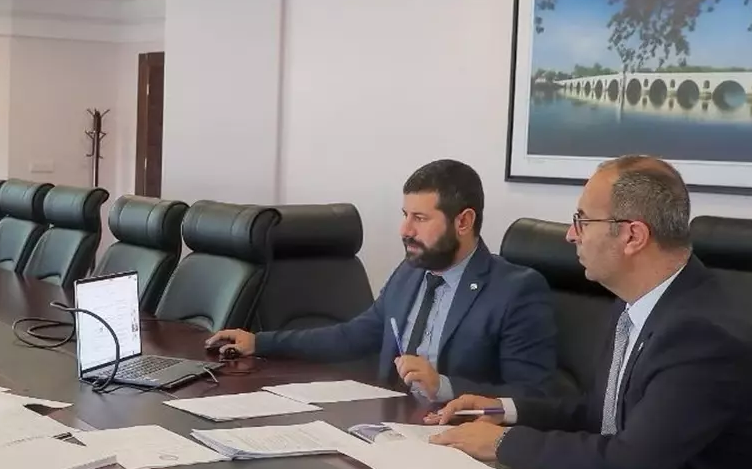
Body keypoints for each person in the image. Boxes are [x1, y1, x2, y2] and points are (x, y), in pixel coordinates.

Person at [428, 156, 752, 469]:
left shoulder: (703, 337)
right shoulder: (634, 304)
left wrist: (504, 443)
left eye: (582, 220)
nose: (571, 235)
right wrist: (502, 409)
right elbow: (601, 416)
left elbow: (630, 463)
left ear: (632, 236)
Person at [206, 159, 558, 400]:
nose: (405, 230)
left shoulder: (515, 290)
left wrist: (444, 386)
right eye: (405, 215)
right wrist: (261, 342)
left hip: (458, 442)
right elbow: (353, 336)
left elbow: (533, 396)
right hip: (387, 428)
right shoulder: (411, 272)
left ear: (463, 222)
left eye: (420, 218)